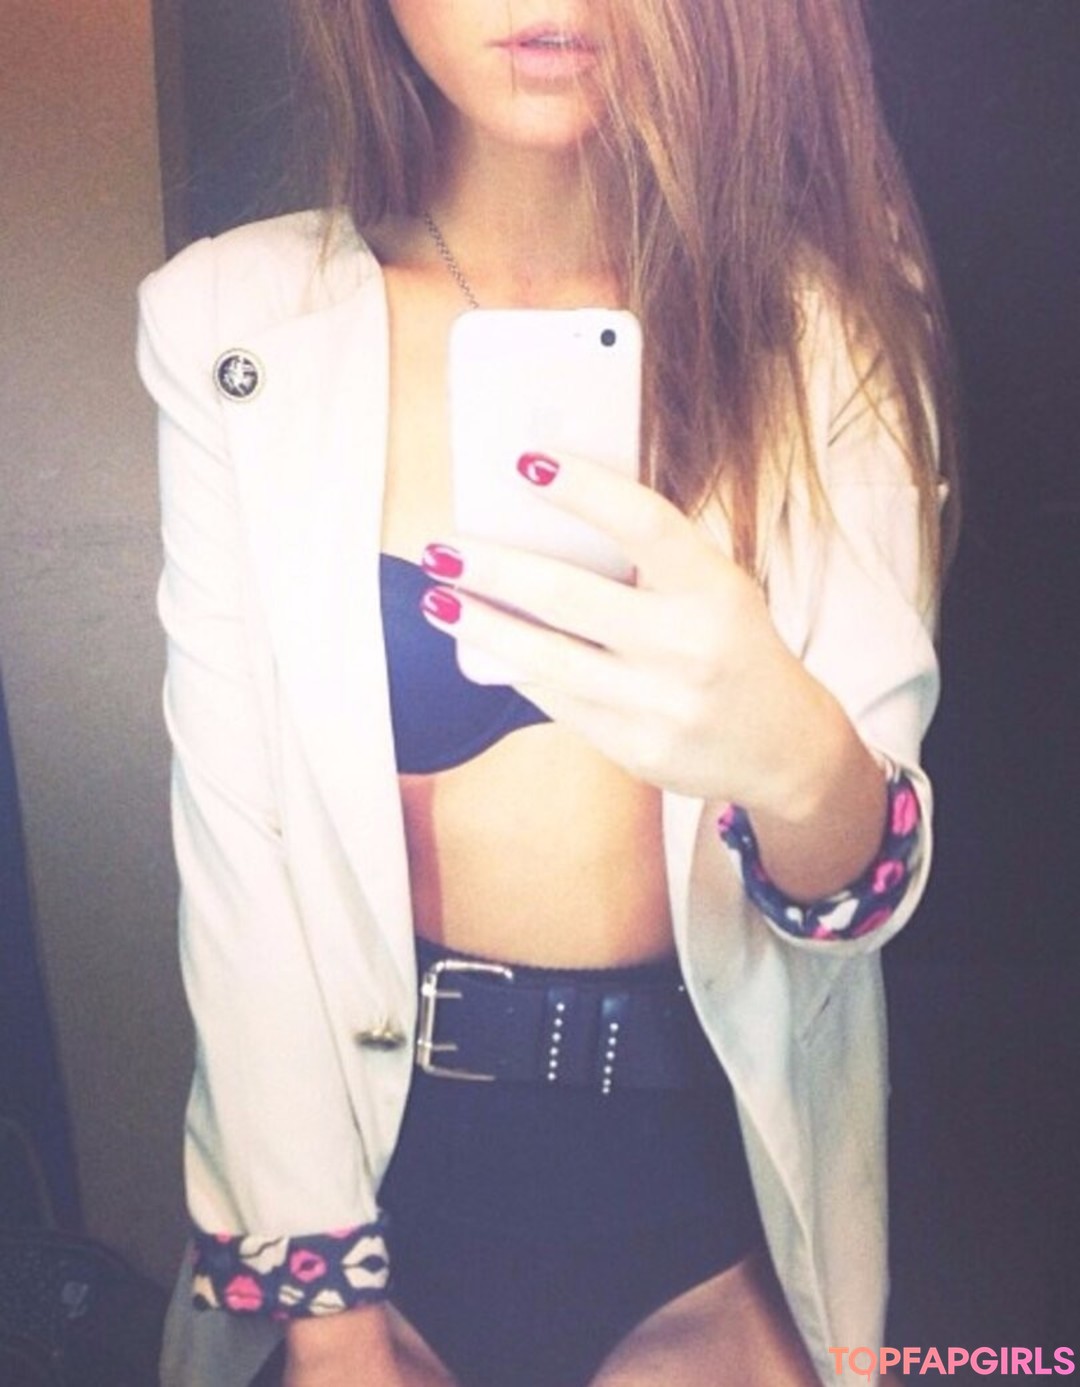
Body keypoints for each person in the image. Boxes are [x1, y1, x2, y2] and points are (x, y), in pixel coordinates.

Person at [138, 2, 955, 1384]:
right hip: (366, 1193)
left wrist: (794, 758)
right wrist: (327, 1316)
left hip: (715, 1226)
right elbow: (240, 855)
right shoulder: (232, 323)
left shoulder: (827, 326)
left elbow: (855, 904)